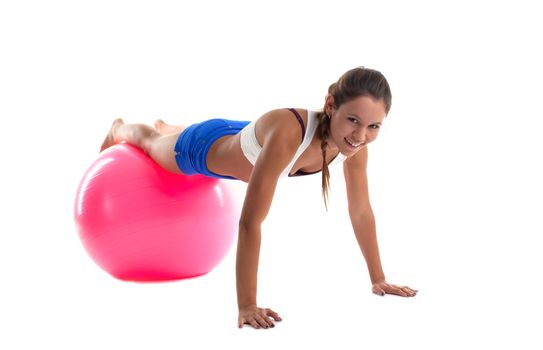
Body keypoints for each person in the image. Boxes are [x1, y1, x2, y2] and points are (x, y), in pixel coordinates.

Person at [100, 66, 418, 330]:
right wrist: (247, 305)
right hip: (202, 150)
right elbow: (251, 221)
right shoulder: (289, 134)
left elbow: (361, 211)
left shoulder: (353, 149)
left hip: (244, 137)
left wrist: (379, 278)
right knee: (152, 143)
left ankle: (175, 127)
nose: (361, 135)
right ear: (331, 104)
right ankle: (123, 128)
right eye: (353, 120)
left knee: (233, 142)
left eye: (374, 126)